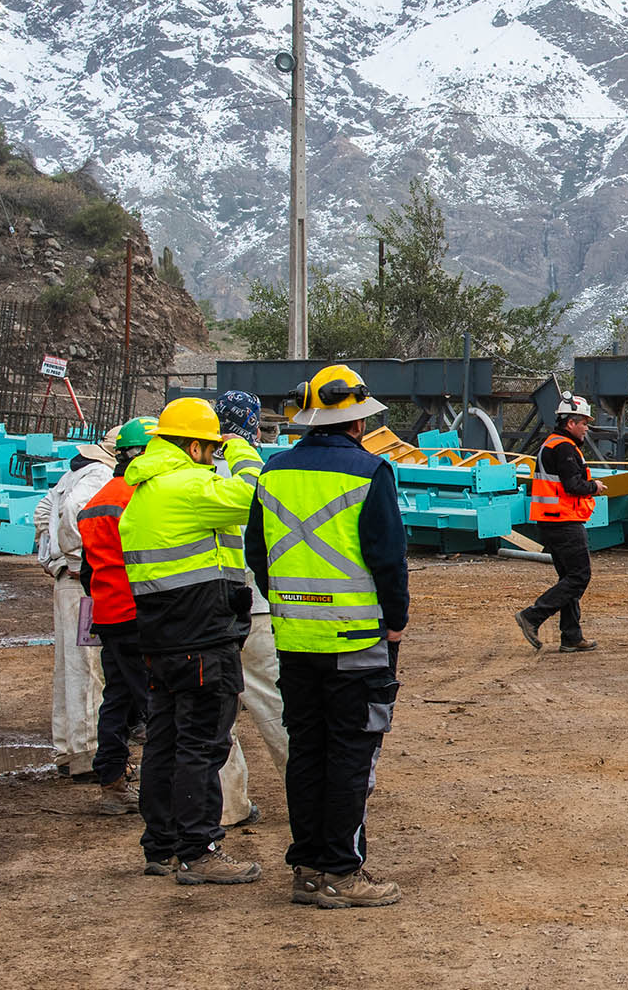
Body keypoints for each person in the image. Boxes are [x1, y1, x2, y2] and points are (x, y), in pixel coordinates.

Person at [248, 364, 410, 907]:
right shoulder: (371, 473)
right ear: (358, 422)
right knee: (350, 755)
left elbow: (257, 553)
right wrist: (396, 621)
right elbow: (388, 559)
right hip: (355, 642)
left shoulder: (272, 472)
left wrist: (290, 602)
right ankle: (342, 870)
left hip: (294, 641)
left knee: (307, 753)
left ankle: (309, 867)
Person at [119, 397, 262, 884]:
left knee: (164, 740)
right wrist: (241, 448)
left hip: (161, 636)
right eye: (213, 447)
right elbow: (257, 495)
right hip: (203, 635)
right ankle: (198, 849)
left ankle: (160, 846)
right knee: (203, 742)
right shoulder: (191, 485)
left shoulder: (143, 491)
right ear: (197, 446)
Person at [211, 390, 287, 830]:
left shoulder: (198, 471)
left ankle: (227, 806)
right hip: (257, 607)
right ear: (255, 428)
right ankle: (309, 791)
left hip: (208, 608)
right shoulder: (264, 472)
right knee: (277, 705)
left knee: (218, 712)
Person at [77, 417, 158, 816]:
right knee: (156, 703)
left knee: (117, 697)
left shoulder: (97, 502)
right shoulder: (143, 498)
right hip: (142, 613)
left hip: (108, 615)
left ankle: (110, 783)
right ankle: (165, 795)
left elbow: (87, 572)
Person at [37, 436, 116, 780]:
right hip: (81, 582)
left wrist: (52, 552)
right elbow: (73, 512)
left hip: (65, 581)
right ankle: (86, 754)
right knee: (87, 668)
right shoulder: (100, 475)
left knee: (68, 667)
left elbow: (43, 511)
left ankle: (68, 751)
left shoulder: (75, 473)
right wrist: (75, 557)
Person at [517, 393, 600, 653]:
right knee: (579, 576)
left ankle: (571, 635)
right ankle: (532, 616)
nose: (587, 428)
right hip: (564, 520)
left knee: (568, 577)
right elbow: (573, 485)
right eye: (584, 423)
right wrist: (594, 487)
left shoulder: (552, 443)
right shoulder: (563, 447)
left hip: (553, 520)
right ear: (571, 423)